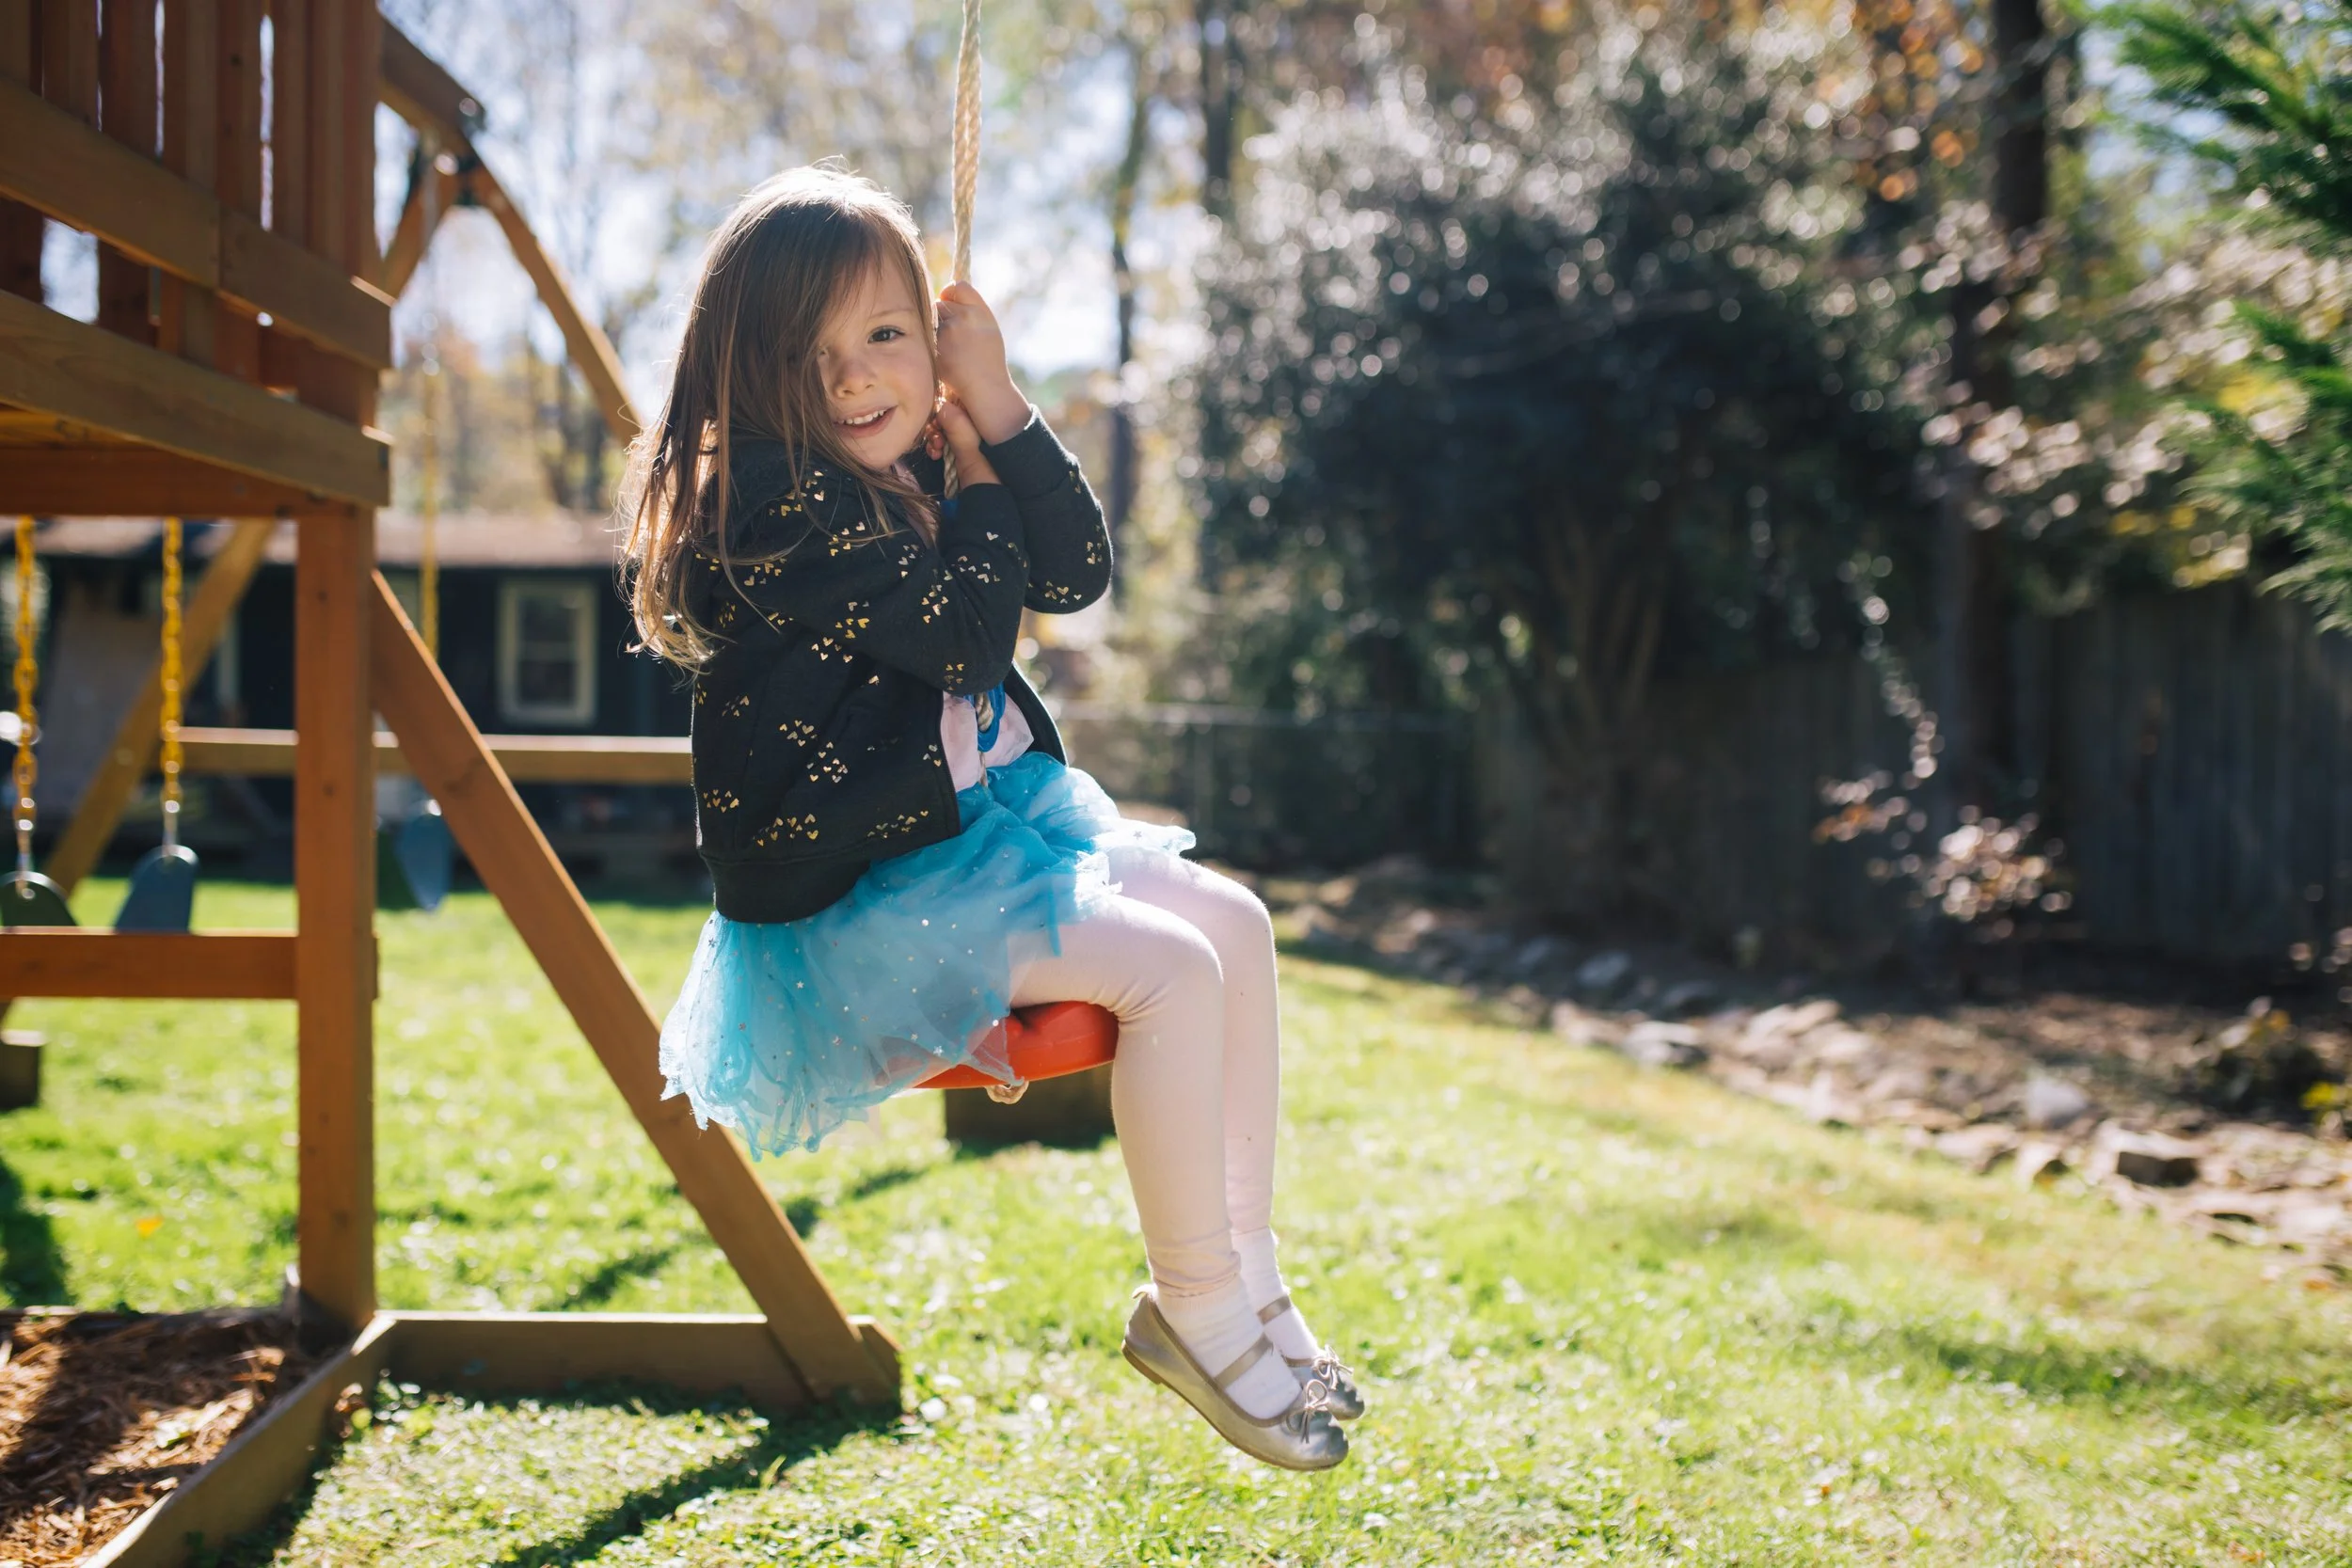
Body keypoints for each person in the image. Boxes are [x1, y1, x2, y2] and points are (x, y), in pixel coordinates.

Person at [622, 166, 1359, 1470]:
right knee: (1173, 972)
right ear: (747, 376)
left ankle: (1249, 1280)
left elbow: (1072, 572)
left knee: (1234, 923)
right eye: (812, 355)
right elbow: (972, 635)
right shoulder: (778, 507)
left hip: (968, 840)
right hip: (861, 897)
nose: (856, 378)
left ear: (932, 335)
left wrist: (999, 410)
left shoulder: (917, 455)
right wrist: (965, 480)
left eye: (885, 336)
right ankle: (1189, 1306)